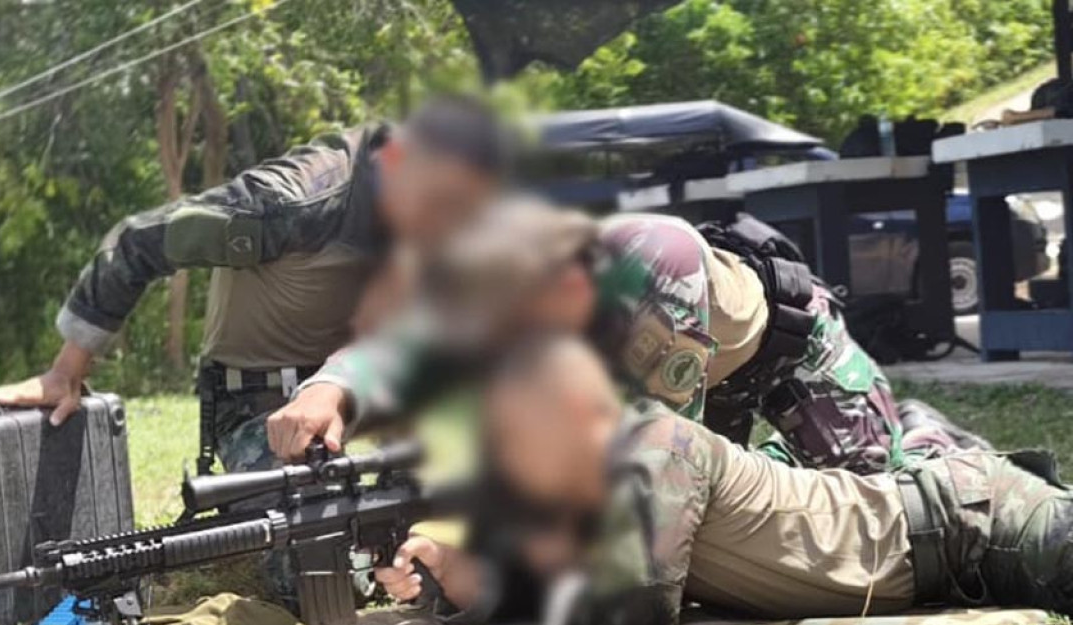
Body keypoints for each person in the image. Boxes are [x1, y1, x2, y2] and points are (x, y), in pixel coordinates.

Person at [0, 94, 510, 610]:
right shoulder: (286, 203)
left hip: (366, 387)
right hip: (261, 404)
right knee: (320, 574)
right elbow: (138, 242)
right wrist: (66, 370)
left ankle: (416, 540)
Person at [376, 336, 1073, 625]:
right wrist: (467, 580)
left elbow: (634, 621)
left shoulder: (653, 445)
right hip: (937, 547)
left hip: (967, 523)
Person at [270, 199, 971, 474]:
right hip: (672, 381)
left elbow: (667, 463)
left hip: (788, 350)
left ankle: (926, 434)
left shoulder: (651, 264)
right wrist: (331, 387)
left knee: (874, 499)